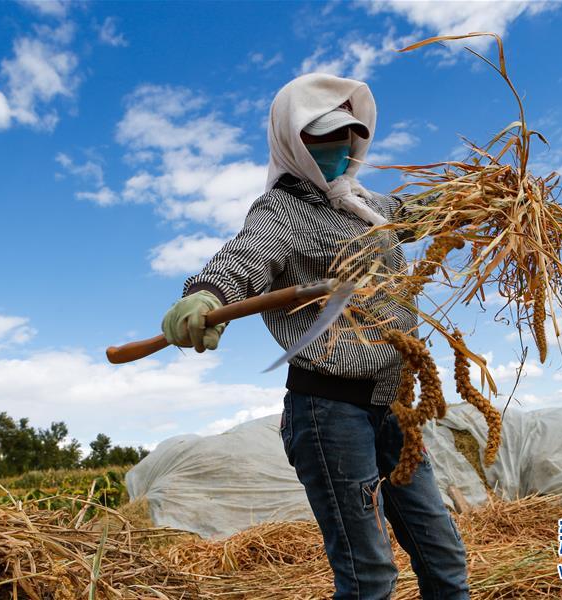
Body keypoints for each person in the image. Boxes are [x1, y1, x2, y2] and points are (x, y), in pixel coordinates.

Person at [161, 73, 470, 600]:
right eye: (322, 138)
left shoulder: (366, 204)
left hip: (393, 407)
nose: (339, 148)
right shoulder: (282, 211)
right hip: (331, 412)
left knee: (443, 555)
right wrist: (209, 295)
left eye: (347, 135)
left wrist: (470, 199)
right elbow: (246, 257)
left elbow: (418, 214)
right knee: (369, 575)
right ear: (292, 141)